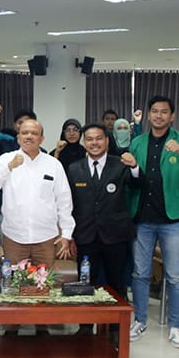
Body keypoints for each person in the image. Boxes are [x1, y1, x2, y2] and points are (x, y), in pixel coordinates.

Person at [127, 95, 179, 349]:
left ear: (172, 116)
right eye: (154, 111)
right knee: (140, 273)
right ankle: (139, 320)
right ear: (148, 115)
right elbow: (133, 177)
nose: (158, 115)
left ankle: (175, 326)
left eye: (164, 112)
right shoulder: (137, 142)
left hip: (172, 219)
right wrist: (132, 168)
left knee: (174, 275)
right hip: (143, 218)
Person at [68, 124, 139, 339]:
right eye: (89, 139)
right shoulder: (74, 168)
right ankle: (86, 326)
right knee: (85, 282)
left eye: (99, 138)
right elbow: (68, 204)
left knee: (116, 283)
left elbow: (138, 185)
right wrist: (69, 234)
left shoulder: (121, 165)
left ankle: (115, 328)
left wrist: (135, 167)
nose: (94, 143)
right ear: (84, 142)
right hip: (86, 236)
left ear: (107, 141)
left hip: (115, 235)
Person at [0, 119, 73, 268]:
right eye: (24, 133)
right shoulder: (6, 160)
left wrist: (66, 233)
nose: (29, 136)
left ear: (42, 139)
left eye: (34, 133)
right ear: (18, 137)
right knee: (14, 286)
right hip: (14, 237)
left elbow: (64, 201)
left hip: (46, 237)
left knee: (44, 287)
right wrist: (8, 167)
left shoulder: (53, 164)